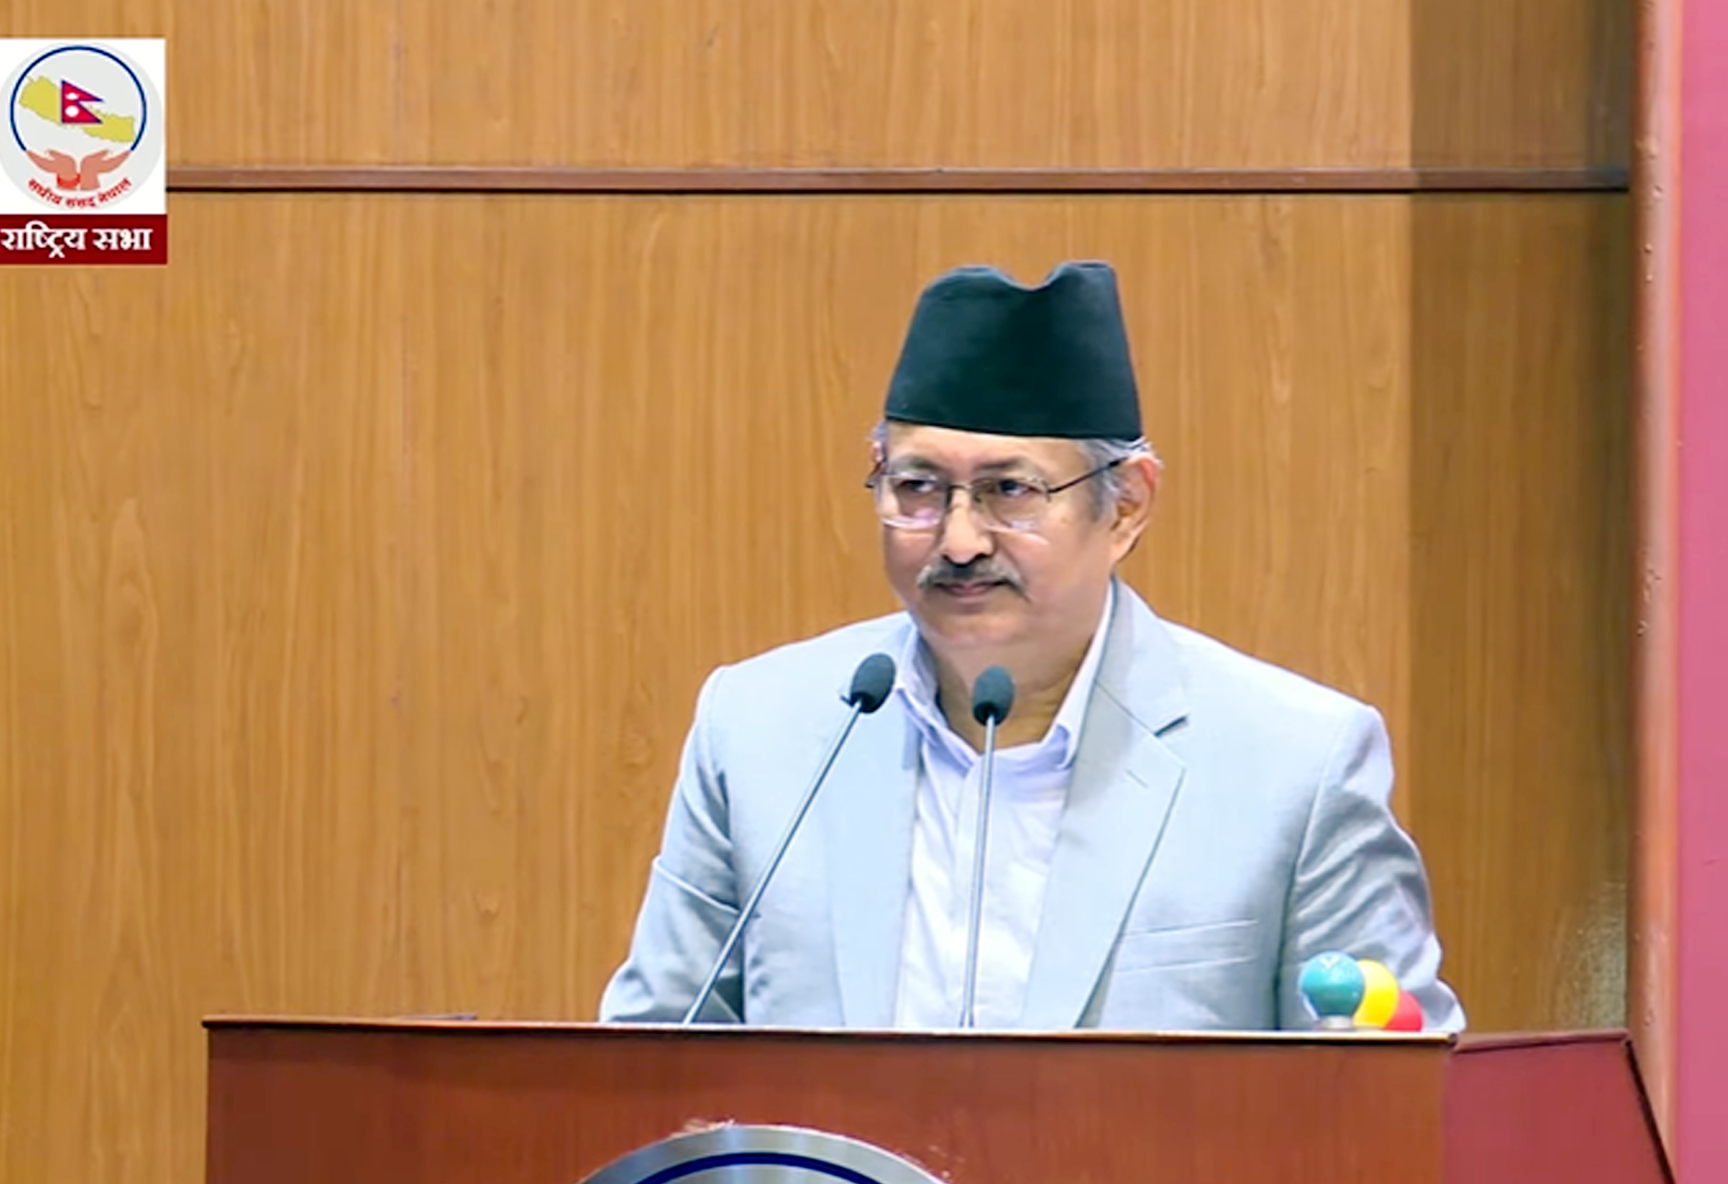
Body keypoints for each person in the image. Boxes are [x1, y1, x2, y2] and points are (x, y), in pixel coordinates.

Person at [598, 261, 1465, 1033]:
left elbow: (1396, 1091)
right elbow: (648, 1068)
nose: (959, 540)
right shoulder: (759, 731)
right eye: (917, 487)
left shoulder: (1295, 762)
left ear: (1125, 507)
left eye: (1009, 491)